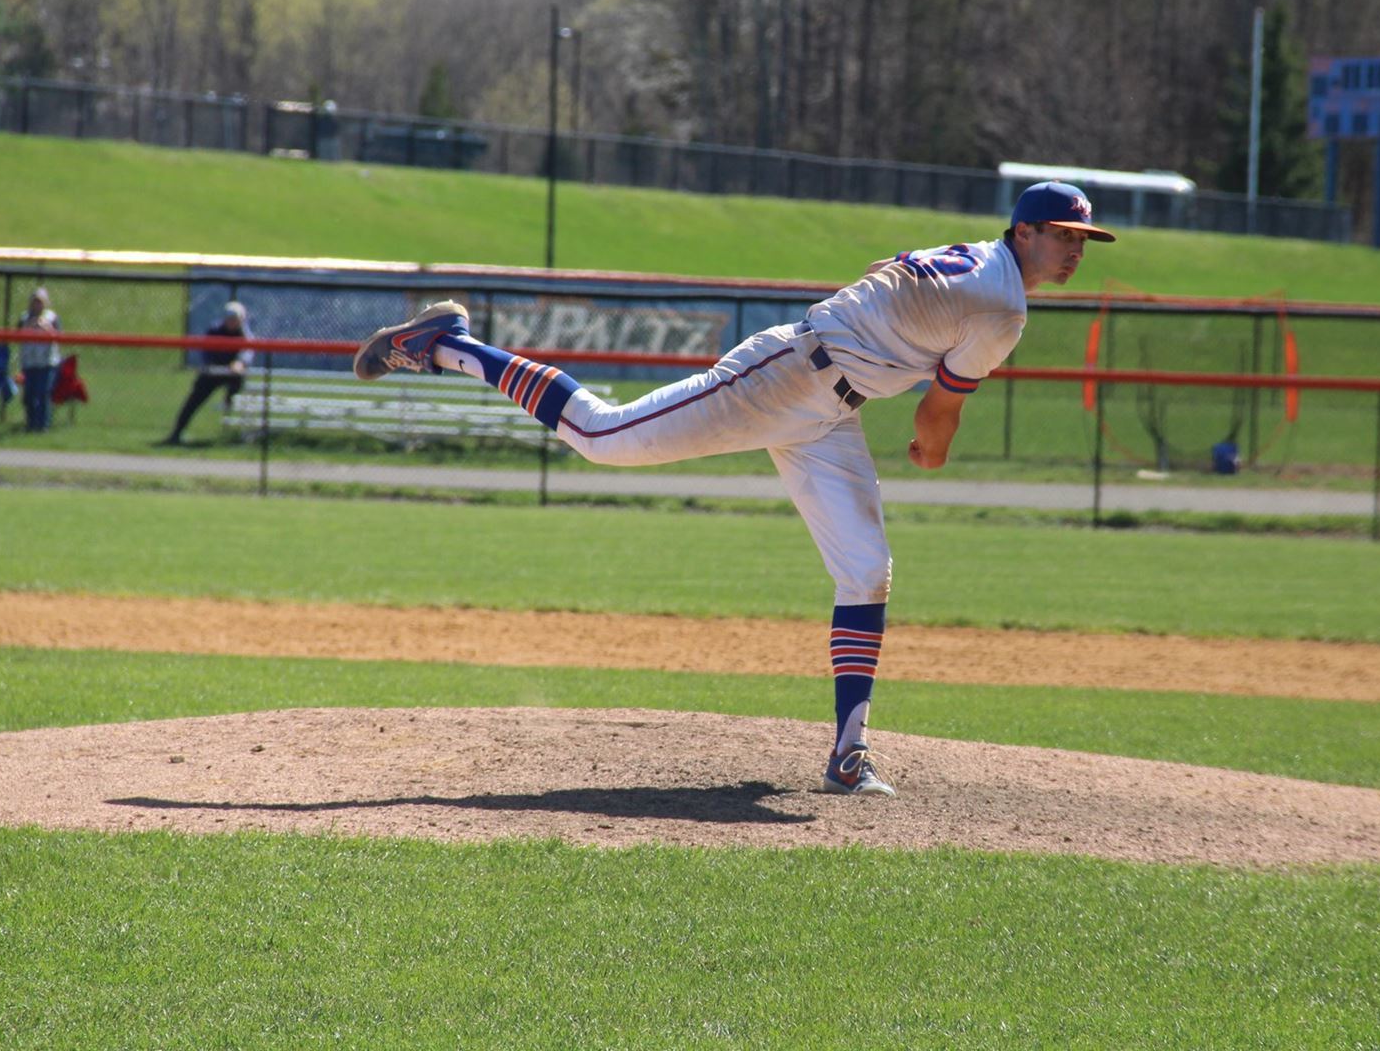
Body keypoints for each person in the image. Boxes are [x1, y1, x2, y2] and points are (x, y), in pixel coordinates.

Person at [352, 181, 1115, 797]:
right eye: (1062, 233)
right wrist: (933, 452)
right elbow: (939, 410)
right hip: (788, 376)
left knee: (867, 570)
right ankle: (448, 346)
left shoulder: (979, 262)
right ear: (1023, 233)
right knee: (601, 437)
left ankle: (849, 754)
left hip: (826, 410)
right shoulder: (1003, 303)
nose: (1074, 249)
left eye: (1082, 239)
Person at [162, 301, 252, 445]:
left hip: (232, 373)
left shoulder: (243, 332)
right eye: (229, 318)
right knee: (193, 400)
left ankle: (229, 400)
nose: (232, 321)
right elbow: (207, 352)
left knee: (239, 379)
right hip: (212, 372)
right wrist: (212, 365)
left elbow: (248, 351)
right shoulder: (215, 329)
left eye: (235, 318)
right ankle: (176, 434)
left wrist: (240, 362)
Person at [16, 287, 62, 432]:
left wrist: (46, 328)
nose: (37, 305)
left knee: (43, 393)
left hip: (47, 362)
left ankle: (43, 425)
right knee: (29, 394)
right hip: (29, 362)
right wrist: (29, 325)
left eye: (40, 302)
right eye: (35, 302)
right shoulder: (24, 318)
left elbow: (59, 336)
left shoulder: (52, 318)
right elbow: (16, 335)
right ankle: (30, 424)